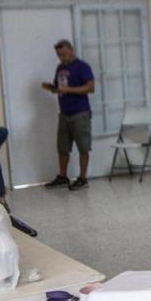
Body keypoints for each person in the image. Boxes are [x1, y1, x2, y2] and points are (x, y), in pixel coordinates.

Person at [42, 39, 95, 190]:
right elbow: (60, 88)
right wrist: (52, 88)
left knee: (83, 147)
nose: (62, 58)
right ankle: (62, 176)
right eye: (59, 55)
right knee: (62, 147)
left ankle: (83, 178)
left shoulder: (82, 66)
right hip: (64, 113)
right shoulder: (60, 68)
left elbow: (90, 88)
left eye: (64, 54)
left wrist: (68, 90)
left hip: (80, 113)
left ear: (71, 50)